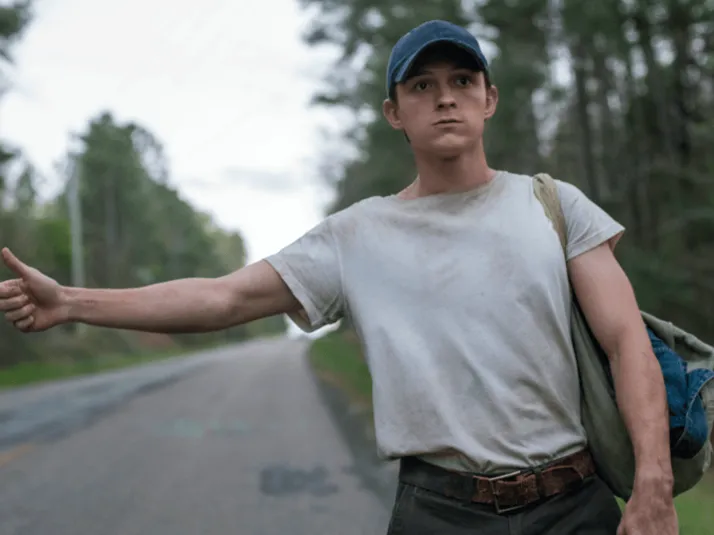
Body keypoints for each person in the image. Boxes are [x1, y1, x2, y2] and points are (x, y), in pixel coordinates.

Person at [0, 19, 678, 535]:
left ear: (489, 98)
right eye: (422, 86)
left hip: (575, 505)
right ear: (394, 112)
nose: (445, 99)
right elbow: (223, 297)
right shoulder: (357, 235)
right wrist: (72, 302)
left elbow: (627, 343)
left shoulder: (553, 204)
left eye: (462, 82)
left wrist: (653, 481)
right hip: (441, 512)